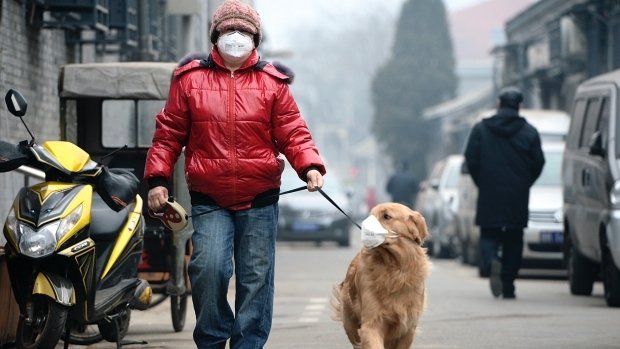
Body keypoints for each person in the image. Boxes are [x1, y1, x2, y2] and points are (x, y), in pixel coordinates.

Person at [143, 1, 326, 348]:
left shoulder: (273, 82)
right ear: (215, 35)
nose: (236, 37)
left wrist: (310, 166)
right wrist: (157, 179)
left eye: (243, 31)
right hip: (210, 199)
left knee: (256, 279)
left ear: (255, 38)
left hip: (259, 199)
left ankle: (248, 344)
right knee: (208, 270)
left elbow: (293, 131)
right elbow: (168, 134)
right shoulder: (189, 80)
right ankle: (212, 340)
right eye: (229, 30)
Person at [463, 86, 544, 299]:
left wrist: (482, 181)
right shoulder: (529, 132)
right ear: (520, 106)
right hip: (517, 195)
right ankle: (508, 285)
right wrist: (525, 182)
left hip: (490, 192)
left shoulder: (481, 129)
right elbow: (538, 162)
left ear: (499, 104)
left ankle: (491, 262)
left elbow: (471, 158)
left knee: (489, 234)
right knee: (514, 239)